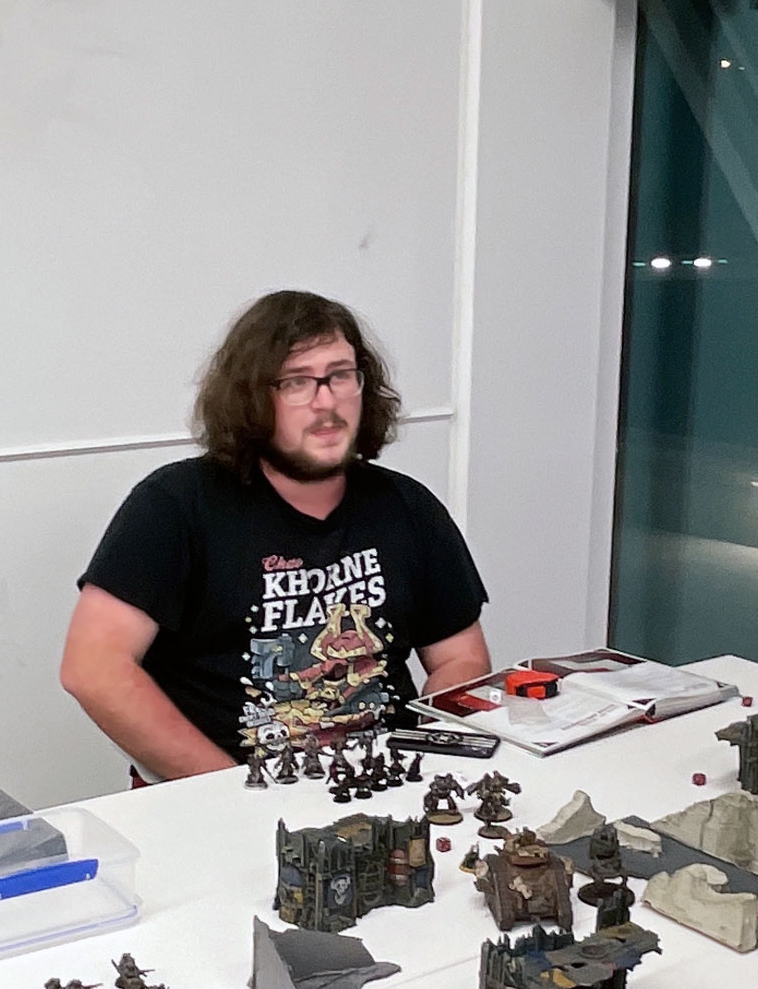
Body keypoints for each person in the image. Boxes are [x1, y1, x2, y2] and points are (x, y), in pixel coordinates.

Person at [62, 290, 492, 781]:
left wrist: (427, 761)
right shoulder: (176, 504)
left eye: (340, 375)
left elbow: (461, 657)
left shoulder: (408, 507)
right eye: (296, 382)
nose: (325, 401)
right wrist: (228, 793)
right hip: (228, 791)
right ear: (250, 396)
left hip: (387, 783)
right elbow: (94, 670)